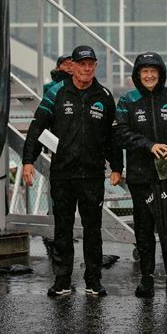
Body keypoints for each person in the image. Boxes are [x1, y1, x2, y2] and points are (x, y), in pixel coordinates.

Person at [22, 45, 123, 297]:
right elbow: (37, 127)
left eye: (91, 64)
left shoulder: (104, 95)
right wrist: (27, 161)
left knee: (93, 230)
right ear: (73, 67)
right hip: (62, 174)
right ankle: (62, 281)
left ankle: (93, 281)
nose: (86, 69)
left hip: (91, 176)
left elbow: (112, 136)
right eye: (81, 64)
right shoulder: (56, 93)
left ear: (95, 66)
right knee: (63, 231)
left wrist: (117, 166)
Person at [114, 52, 167, 298]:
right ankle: (146, 278)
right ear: (137, 75)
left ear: (160, 74)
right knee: (144, 229)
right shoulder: (128, 100)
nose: (149, 76)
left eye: (154, 71)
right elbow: (120, 134)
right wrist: (148, 145)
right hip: (140, 177)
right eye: (144, 72)